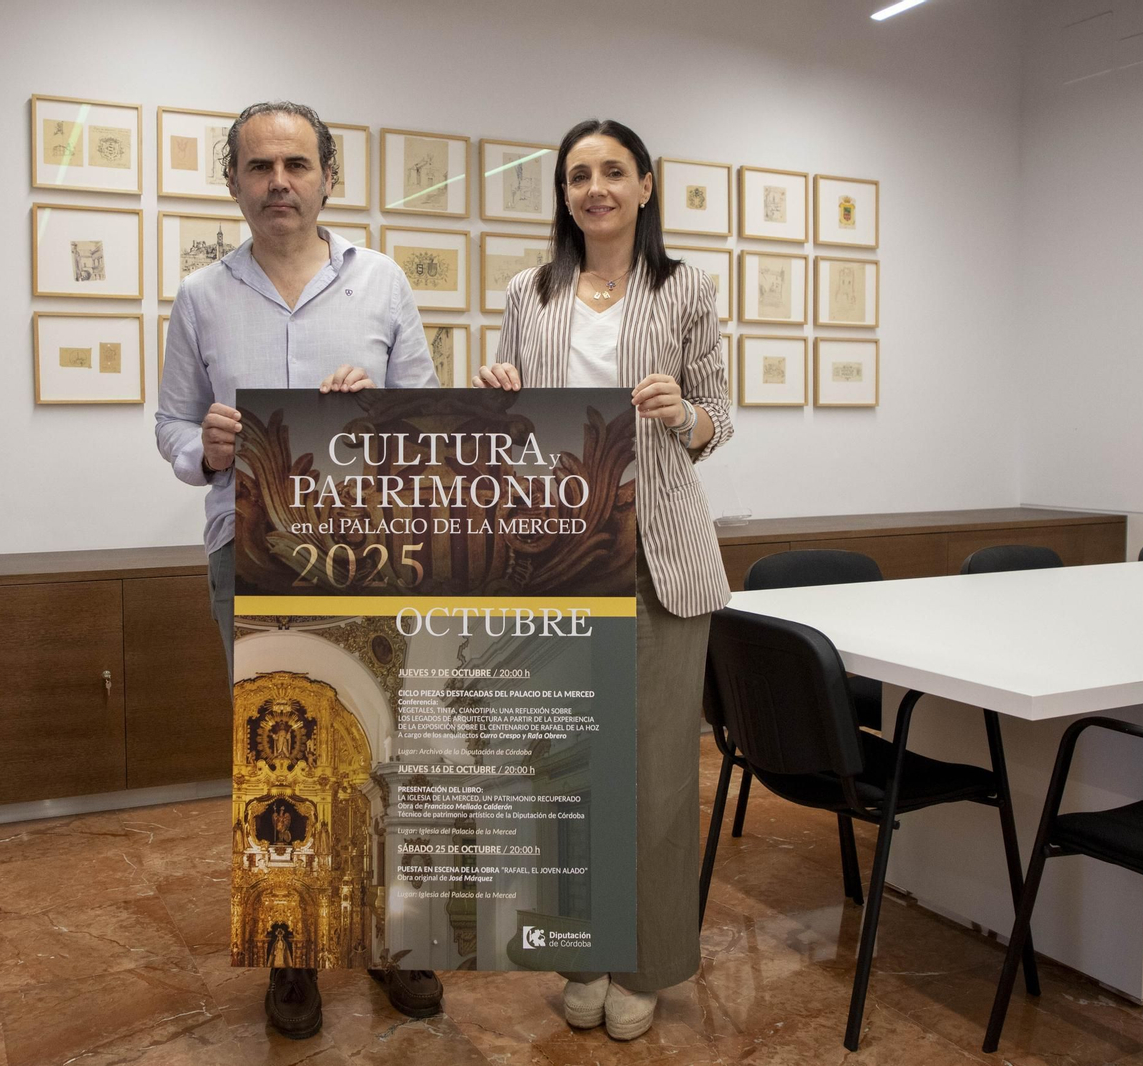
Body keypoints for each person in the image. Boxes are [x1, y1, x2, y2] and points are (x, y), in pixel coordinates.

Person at [155, 100, 442, 1040]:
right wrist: (205, 443)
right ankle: (291, 949)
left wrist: (377, 426)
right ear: (233, 181)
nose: (280, 181)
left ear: (329, 177)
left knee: (378, 749)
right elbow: (169, 426)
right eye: (259, 166)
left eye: (297, 164)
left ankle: (396, 941)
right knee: (275, 751)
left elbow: (428, 424)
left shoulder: (384, 284)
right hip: (248, 550)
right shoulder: (200, 297)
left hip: (368, 552)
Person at [473, 118, 734, 1041]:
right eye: (579, 174)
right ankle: (580, 950)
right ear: (564, 191)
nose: (596, 188)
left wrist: (684, 414)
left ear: (646, 185)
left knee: (655, 778)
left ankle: (646, 963)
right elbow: (510, 440)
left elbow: (720, 421)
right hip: (556, 563)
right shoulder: (527, 292)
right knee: (567, 774)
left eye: (613, 172)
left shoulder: (688, 289)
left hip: (660, 561)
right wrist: (497, 398)